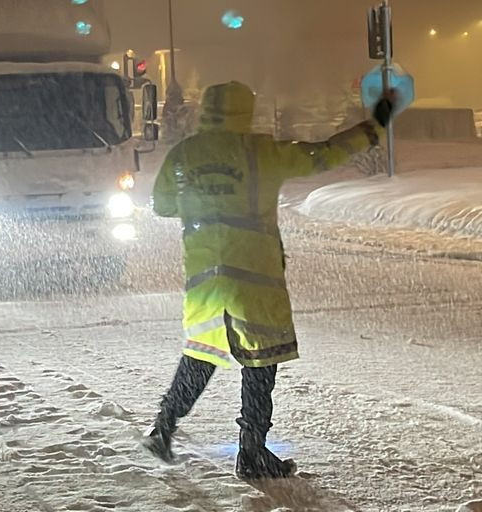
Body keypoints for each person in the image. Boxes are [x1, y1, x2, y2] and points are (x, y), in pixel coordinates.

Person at [142, 81, 392, 479]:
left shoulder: (183, 154)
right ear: (247, 112)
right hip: (253, 279)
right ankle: (252, 452)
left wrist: (205, 204)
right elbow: (321, 155)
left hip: (205, 279)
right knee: (260, 363)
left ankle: (164, 427)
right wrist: (374, 126)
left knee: (202, 354)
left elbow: (162, 204)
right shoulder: (261, 153)